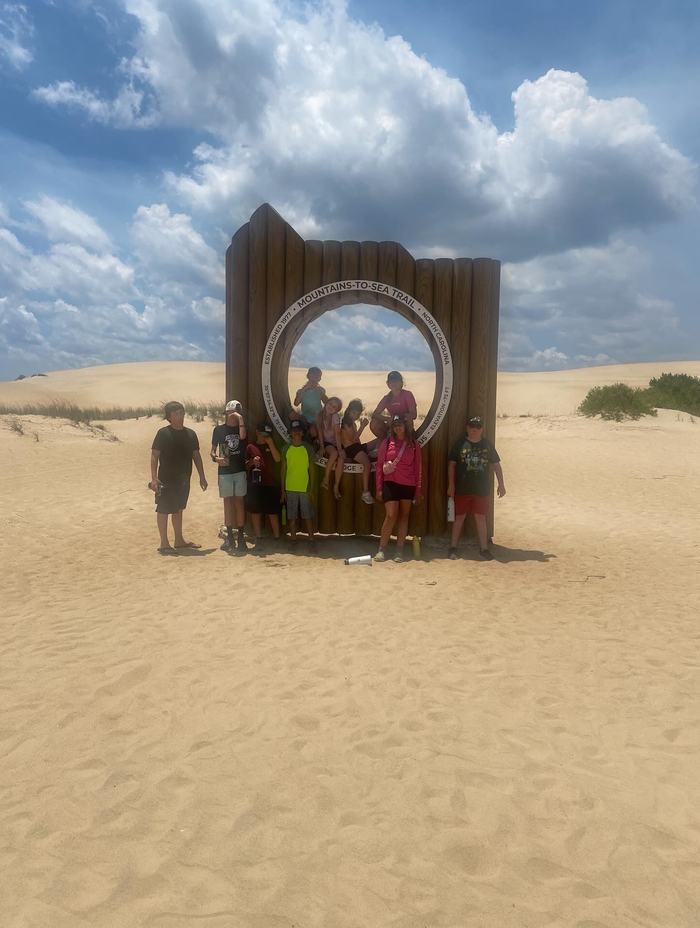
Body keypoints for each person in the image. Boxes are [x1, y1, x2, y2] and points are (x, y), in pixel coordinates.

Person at [149, 401, 207, 554]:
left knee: (179, 509)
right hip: (165, 479)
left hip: (184, 479)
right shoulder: (163, 433)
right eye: (176, 413)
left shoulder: (191, 434)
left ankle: (179, 540)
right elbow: (154, 456)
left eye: (181, 412)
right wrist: (154, 478)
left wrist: (202, 476)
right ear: (169, 417)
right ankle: (164, 543)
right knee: (163, 509)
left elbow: (196, 456)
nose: (180, 415)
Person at [446, 415, 506, 561]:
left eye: (477, 427)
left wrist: (501, 484)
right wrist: (451, 485)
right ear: (467, 428)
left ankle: (484, 549)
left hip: (481, 489)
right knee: (459, 518)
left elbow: (497, 465)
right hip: (462, 489)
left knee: (480, 518)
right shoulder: (459, 444)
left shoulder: (487, 445)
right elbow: (451, 465)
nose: (474, 429)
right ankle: (453, 547)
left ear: (482, 429)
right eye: (472, 426)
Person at [374, 415, 422, 563]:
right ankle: (382, 549)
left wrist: (418, 491)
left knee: (404, 516)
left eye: (400, 424)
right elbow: (379, 467)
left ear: (406, 426)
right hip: (391, 483)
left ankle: (399, 550)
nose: (397, 428)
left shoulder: (414, 444)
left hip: (408, 484)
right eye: (395, 425)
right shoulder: (387, 442)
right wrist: (379, 488)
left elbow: (418, 468)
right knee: (390, 515)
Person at [210, 400, 248, 553]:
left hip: (239, 470)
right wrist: (216, 459)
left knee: (239, 502)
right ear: (226, 413)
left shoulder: (242, 427)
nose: (235, 415)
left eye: (238, 413)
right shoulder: (218, 430)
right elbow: (212, 451)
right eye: (233, 413)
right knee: (228, 502)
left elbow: (243, 437)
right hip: (225, 471)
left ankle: (240, 536)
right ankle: (230, 537)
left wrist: (240, 419)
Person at [245, 422, 282, 545]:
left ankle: (277, 538)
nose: (264, 437)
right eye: (262, 434)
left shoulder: (272, 445)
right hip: (255, 484)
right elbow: (245, 465)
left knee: (272, 512)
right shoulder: (250, 447)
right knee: (255, 511)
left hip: (271, 483)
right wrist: (252, 461)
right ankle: (258, 537)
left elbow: (277, 459)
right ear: (257, 432)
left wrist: (270, 444)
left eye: (267, 434)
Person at [280, 419, 316, 544]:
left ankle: (311, 540)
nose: (296, 433)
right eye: (294, 431)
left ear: (302, 433)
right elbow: (283, 471)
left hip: (304, 488)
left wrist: (311, 489)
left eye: (298, 431)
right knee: (292, 517)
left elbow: (312, 470)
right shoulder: (286, 448)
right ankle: (293, 540)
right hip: (290, 488)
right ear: (290, 433)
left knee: (307, 516)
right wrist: (282, 491)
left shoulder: (308, 448)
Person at [340, 399, 374, 505]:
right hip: (351, 449)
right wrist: (363, 427)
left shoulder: (352, 423)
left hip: (356, 447)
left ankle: (376, 453)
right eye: (354, 412)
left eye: (358, 414)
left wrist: (364, 449)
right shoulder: (346, 422)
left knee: (378, 441)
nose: (356, 415)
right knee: (367, 464)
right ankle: (365, 492)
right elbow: (353, 439)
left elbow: (357, 441)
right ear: (349, 410)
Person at [317, 396, 344, 499]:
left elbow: (337, 434)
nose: (331, 407)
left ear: (337, 410)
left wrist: (340, 449)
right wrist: (322, 447)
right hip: (327, 442)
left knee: (341, 459)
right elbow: (319, 432)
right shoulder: (320, 415)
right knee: (334, 453)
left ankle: (336, 486)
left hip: (336, 443)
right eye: (330, 404)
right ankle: (326, 479)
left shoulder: (335, 417)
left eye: (335, 407)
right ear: (326, 402)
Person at [294, 366, 328, 438]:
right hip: (305, 417)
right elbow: (296, 403)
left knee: (313, 431)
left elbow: (327, 403)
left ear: (319, 379)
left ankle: (315, 442)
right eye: (313, 375)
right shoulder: (301, 391)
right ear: (308, 376)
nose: (314, 378)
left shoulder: (321, 390)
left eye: (317, 376)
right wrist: (304, 389)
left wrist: (322, 393)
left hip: (317, 417)